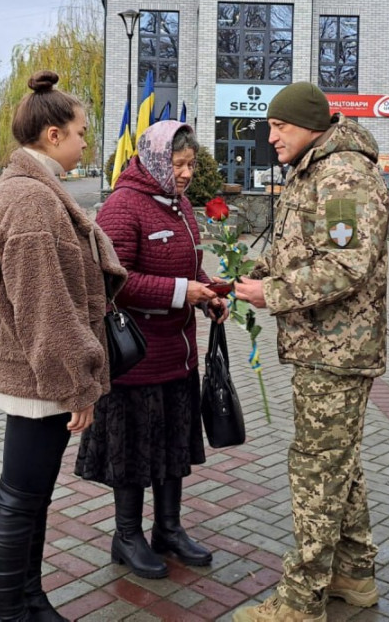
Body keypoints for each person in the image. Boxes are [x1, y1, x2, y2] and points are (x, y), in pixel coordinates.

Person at [233, 81, 389, 622]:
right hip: (322, 345)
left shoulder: (342, 175)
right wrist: (249, 278)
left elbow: (347, 265)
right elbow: (304, 251)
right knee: (338, 463)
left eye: (279, 126)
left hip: (337, 351)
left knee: (317, 471)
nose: (270, 136)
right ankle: (354, 574)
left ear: (309, 126)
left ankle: (300, 602)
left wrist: (271, 295)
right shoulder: (315, 169)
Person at [0, 70, 126, 622]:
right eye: (82, 131)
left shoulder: (36, 192)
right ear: (53, 135)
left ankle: (30, 600)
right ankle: (10, 613)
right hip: (41, 375)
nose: (88, 141)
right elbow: (45, 308)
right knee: (18, 497)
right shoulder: (31, 202)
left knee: (31, 496)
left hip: (40, 371)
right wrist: (76, 385)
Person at [75, 121, 230, 579]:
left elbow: (190, 266)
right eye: (178, 164)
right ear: (157, 160)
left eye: (191, 164)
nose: (186, 173)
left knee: (172, 446)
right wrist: (184, 292)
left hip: (178, 357)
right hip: (137, 359)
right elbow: (114, 282)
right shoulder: (123, 207)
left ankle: (168, 529)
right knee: (133, 452)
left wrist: (207, 294)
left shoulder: (181, 206)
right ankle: (127, 536)